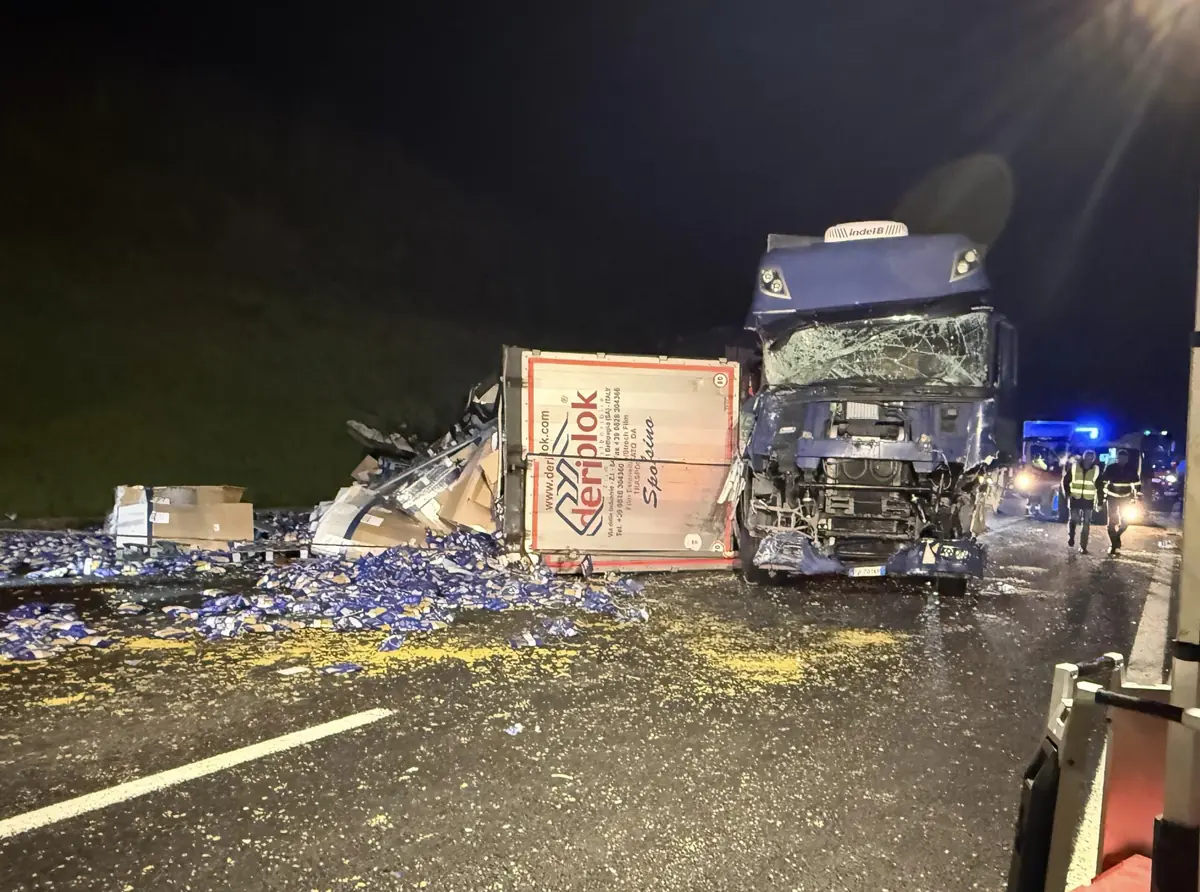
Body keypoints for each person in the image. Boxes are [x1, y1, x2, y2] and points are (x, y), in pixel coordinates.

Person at [1099, 449, 1141, 555]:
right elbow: (1103, 482)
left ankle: (1117, 537)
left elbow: (1137, 484)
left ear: (1127, 459)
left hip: (1125, 499)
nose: (1122, 460)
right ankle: (1113, 545)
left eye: (1124, 458)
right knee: (1111, 523)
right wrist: (1102, 497)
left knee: (1126, 522)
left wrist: (1137, 496)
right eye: (1120, 458)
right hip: (1112, 498)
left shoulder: (1131, 469)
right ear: (1117, 459)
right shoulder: (1111, 468)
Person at [1062, 449, 1101, 554]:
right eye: (1087, 457)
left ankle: (1083, 546)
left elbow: (1100, 486)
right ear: (1083, 457)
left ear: (1093, 459)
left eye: (1091, 458)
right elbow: (1065, 481)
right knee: (1073, 519)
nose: (1089, 460)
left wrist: (1100, 501)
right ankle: (1071, 536)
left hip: (1088, 500)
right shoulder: (1075, 467)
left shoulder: (1096, 470)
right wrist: (1068, 494)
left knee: (1086, 523)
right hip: (1075, 498)